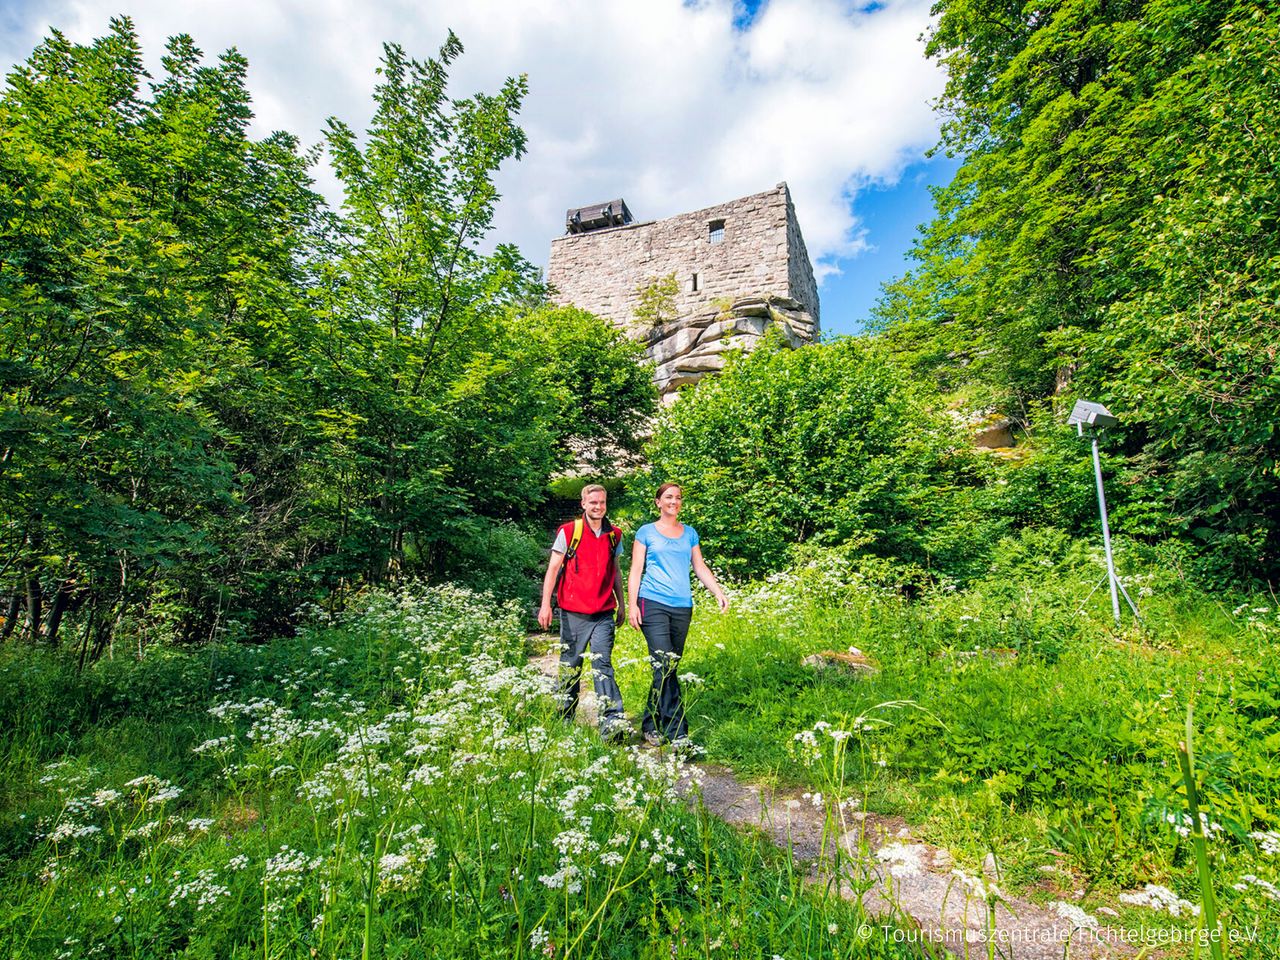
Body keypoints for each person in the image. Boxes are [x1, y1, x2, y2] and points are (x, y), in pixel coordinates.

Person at [627, 483, 728, 748]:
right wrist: (632, 605)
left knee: (668, 668)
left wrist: (717, 591)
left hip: (682, 605)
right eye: (668, 497)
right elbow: (636, 570)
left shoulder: (690, 533)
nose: (674, 501)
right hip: (652, 601)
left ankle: (650, 724)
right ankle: (677, 731)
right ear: (658, 502)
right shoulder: (646, 532)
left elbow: (699, 565)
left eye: (678, 498)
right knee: (663, 664)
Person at [539, 484, 629, 741]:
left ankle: (612, 726)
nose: (598, 507)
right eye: (593, 503)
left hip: (603, 613)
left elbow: (617, 572)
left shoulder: (615, 535)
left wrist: (621, 604)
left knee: (603, 667)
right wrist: (546, 604)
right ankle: (564, 718)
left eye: (601, 502)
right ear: (583, 504)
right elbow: (553, 569)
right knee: (571, 666)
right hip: (573, 613)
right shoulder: (569, 532)